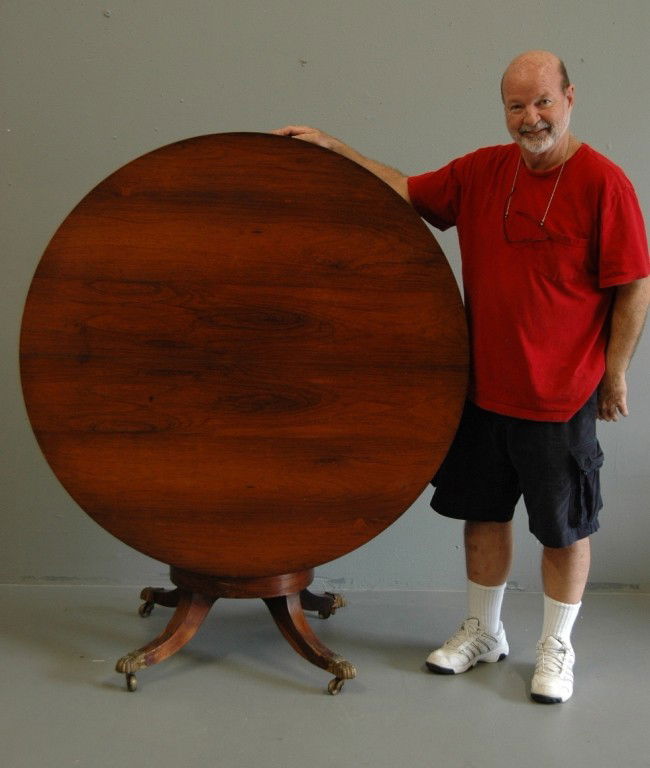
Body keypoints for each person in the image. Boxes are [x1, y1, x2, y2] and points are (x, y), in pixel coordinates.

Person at [274, 49, 650, 704]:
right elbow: (408, 191)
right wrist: (336, 148)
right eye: (515, 105)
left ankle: (556, 647)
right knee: (481, 517)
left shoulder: (603, 183)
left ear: (569, 97)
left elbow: (634, 286)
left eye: (541, 102)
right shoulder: (482, 172)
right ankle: (484, 631)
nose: (529, 117)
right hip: (481, 388)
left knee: (565, 530)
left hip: (560, 394)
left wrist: (614, 374)